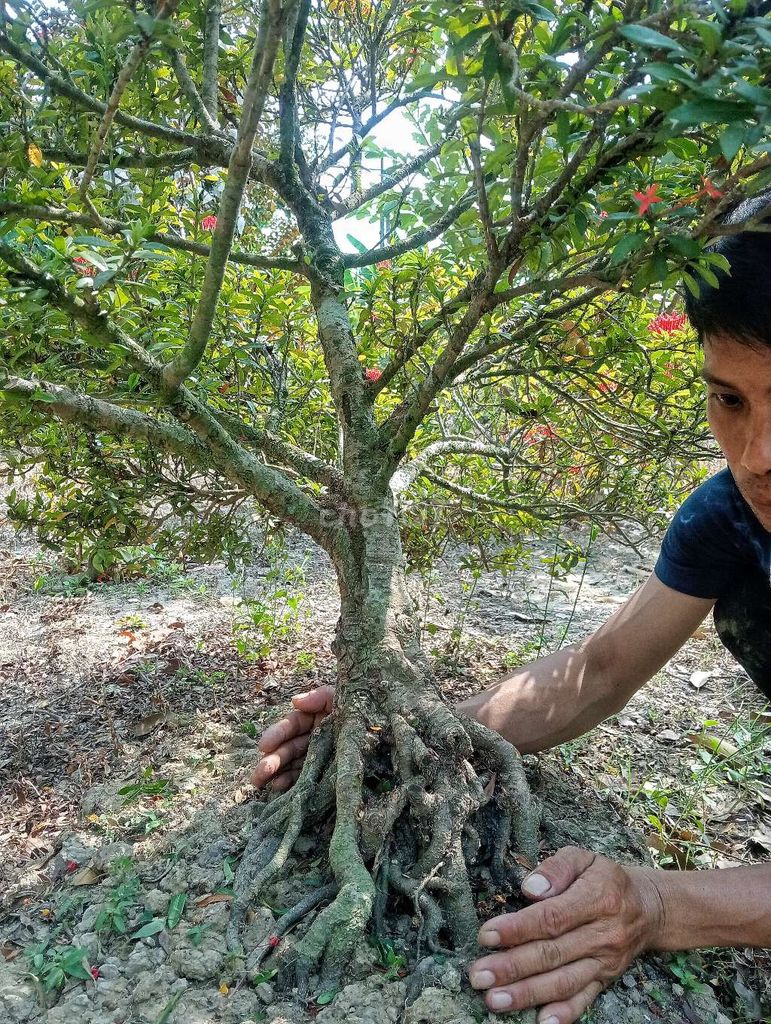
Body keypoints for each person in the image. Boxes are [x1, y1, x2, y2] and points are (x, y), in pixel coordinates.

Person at [251, 191, 771, 1024]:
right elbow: (595, 674)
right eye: (729, 400)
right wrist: (412, 729)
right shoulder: (728, 516)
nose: (756, 455)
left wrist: (662, 905)